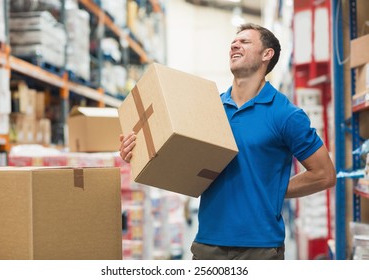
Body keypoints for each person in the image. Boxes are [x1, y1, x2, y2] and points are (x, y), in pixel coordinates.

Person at [119, 23, 336, 260]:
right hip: (207, 244)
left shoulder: (286, 114)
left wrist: (272, 190)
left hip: (260, 248)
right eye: (234, 41)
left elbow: (324, 174)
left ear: (267, 54)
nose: (235, 44)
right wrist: (138, 151)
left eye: (245, 41)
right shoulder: (210, 109)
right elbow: (181, 161)